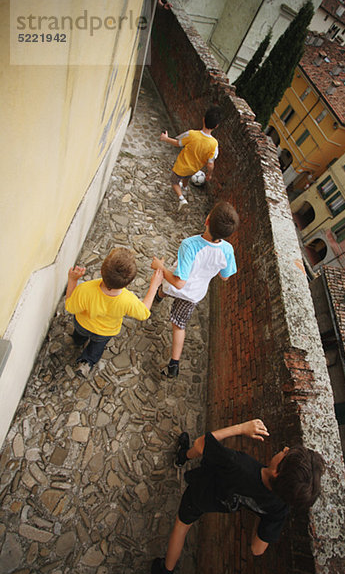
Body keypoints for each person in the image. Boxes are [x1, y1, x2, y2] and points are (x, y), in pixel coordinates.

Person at [151, 419, 325, 574]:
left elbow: (201, 443)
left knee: (181, 526)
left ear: (276, 472)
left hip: (200, 492)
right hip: (220, 504)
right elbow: (257, 549)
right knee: (186, 522)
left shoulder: (239, 465)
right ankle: (183, 455)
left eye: (286, 454)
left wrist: (242, 428)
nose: (285, 449)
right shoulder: (280, 505)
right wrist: (261, 512)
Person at [151, 201, 239, 378]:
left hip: (177, 287)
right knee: (179, 325)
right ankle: (173, 364)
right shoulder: (228, 250)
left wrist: (160, 266)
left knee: (165, 287)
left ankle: (156, 299)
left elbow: (179, 283)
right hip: (194, 295)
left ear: (207, 220)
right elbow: (225, 276)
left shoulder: (189, 244)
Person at [65, 247, 163, 377]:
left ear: (101, 271)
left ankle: (77, 341)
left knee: (79, 335)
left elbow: (70, 307)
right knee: (96, 348)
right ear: (128, 282)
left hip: (82, 325)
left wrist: (72, 280)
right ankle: (86, 363)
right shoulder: (128, 300)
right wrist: (154, 286)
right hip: (104, 332)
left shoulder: (85, 289)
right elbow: (144, 313)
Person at [159, 106, 222, 210]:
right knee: (187, 176)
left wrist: (165, 138)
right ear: (216, 126)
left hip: (181, 166)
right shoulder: (214, 144)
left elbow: (178, 143)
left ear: (203, 119)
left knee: (174, 182)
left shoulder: (192, 134)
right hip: (194, 169)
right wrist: (209, 175)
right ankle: (184, 187)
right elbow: (210, 164)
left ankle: (181, 199)